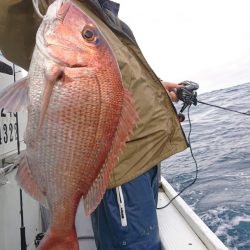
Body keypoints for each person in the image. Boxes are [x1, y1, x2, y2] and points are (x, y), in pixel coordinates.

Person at [0, 0, 188, 249]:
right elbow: (11, 22)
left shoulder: (107, 15)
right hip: (124, 166)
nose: (87, 33)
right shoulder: (62, 8)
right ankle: (62, 229)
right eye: (87, 35)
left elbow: (116, 76)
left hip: (149, 153)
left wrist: (159, 87)